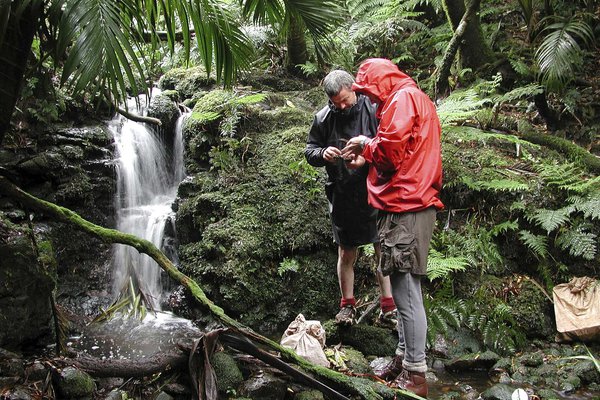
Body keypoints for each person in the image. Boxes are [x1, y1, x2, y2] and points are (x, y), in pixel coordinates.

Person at [341, 58, 443, 398]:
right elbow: (398, 149)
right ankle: (404, 356)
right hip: (406, 203)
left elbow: (390, 152)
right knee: (402, 289)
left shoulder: (402, 99)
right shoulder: (415, 98)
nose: (368, 100)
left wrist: (364, 145)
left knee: (406, 290)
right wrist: (369, 150)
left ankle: (415, 373)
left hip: (407, 205)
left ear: (382, 83)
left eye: (369, 92)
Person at [304, 69, 396, 327]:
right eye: (336, 103)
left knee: (382, 248)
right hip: (342, 191)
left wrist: (366, 157)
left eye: (345, 100)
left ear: (354, 88)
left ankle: (388, 307)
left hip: (375, 188)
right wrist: (323, 154)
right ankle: (347, 306)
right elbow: (310, 151)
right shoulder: (323, 119)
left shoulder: (373, 107)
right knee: (346, 252)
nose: (342, 106)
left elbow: (388, 146)